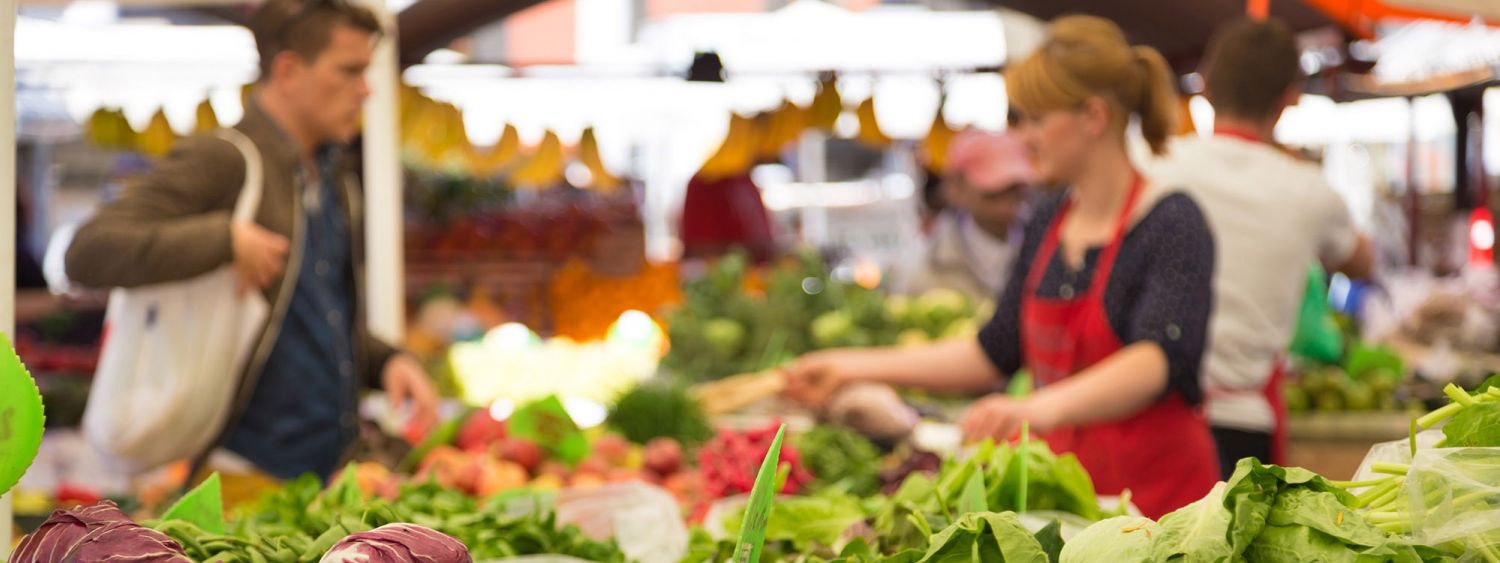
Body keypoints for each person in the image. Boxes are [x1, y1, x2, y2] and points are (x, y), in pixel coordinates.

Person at [784, 15, 1219, 519]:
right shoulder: (1049, 222)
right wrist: (847, 366)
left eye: (1035, 118)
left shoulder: (1171, 219)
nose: (1024, 137)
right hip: (1067, 502)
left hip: (1162, 506)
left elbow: (1157, 358)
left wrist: (1033, 409)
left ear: (1093, 117)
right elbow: (995, 350)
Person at [65, 0, 440, 483]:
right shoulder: (224, 160)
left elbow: (313, 317)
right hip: (238, 478)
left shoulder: (335, 182)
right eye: (349, 71)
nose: (365, 90)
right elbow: (89, 249)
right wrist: (222, 239)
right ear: (288, 70)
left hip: (328, 478)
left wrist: (388, 360)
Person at [1147, 18, 1374, 478]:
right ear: (1290, 99)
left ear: (1205, 87)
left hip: (1150, 414)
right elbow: (1364, 261)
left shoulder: (1155, 163)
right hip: (1243, 427)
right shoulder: (1310, 191)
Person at [895, 130, 1036, 298]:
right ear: (955, 188)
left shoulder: (1050, 247)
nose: (1006, 201)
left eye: (1014, 187)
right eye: (992, 191)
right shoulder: (924, 269)